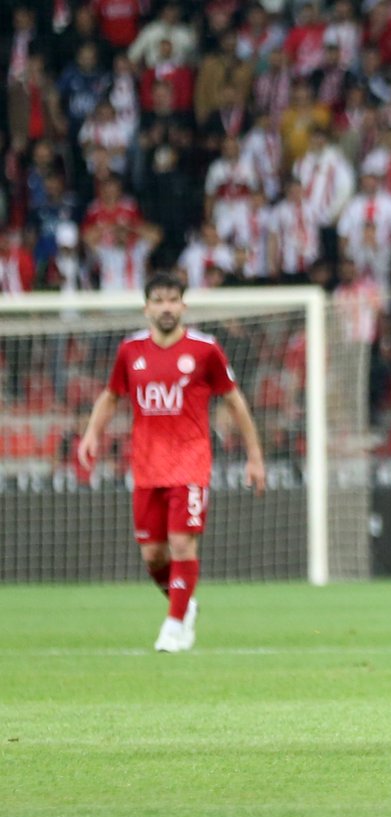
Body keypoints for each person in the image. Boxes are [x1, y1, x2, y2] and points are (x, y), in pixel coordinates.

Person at [77, 273, 266, 653]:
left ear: (183, 305)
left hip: (190, 463)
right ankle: (184, 603)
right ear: (147, 307)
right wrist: (91, 435)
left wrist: (255, 457)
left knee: (182, 545)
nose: (166, 307)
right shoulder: (130, 351)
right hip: (146, 466)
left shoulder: (205, 349)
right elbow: (112, 396)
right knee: (153, 555)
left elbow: (234, 401)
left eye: (172, 300)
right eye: (159, 300)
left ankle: (174, 625)